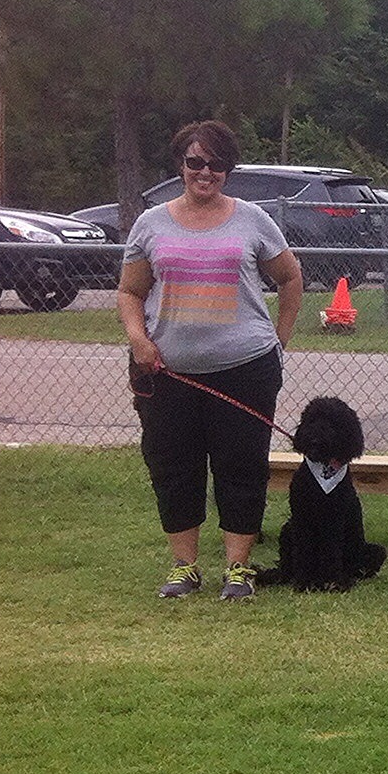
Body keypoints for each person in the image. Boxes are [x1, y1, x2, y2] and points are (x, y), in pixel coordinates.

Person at [120, 120, 304, 601]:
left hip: (246, 368)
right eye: (196, 162)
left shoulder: (253, 219)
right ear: (180, 165)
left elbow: (290, 279)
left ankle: (238, 568)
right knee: (173, 467)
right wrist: (140, 340)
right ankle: (184, 567)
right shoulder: (151, 224)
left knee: (242, 467)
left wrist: (278, 341)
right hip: (167, 372)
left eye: (217, 164)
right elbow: (130, 290)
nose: (206, 172)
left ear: (228, 169)